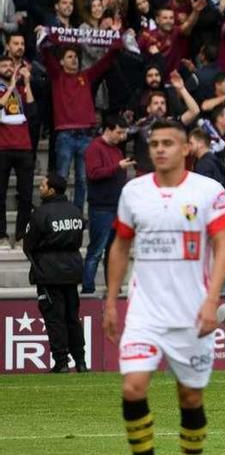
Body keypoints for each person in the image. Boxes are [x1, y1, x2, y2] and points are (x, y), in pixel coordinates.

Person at [103, 119, 225, 455]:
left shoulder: (208, 191)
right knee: (133, 388)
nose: (160, 149)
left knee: (190, 397)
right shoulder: (134, 192)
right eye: (154, 144)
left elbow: (223, 246)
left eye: (168, 143)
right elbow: (120, 246)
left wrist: (212, 301)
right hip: (144, 313)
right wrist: (109, 301)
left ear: (186, 148)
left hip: (191, 314)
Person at [42, 39, 123, 210]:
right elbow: (47, 56)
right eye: (69, 57)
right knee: (61, 177)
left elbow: (104, 63)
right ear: (61, 62)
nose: (74, 59)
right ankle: (59, 211)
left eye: (76, 57)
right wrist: (45, 39)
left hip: (86, 135)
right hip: (65, 135)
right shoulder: (57, 76)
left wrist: (116, 43)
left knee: (82, 178)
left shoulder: (85, 76)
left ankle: (77, 212)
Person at [22, 174, 85, 374]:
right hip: (73, 270)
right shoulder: (76, 211)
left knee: (54, 317)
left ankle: (61, 361)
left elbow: (28, 245)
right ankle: (81, 361)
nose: (40, 188)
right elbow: (78, 239)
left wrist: (39, 265)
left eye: (42, 185)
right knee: (72, 316)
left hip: (49, 272)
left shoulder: (40, 214)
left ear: (51, 190)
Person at [82, 116, 133, 295]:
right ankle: (88, 288)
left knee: (113, 251)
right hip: (101, 208)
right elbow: (94, 173)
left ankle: (113, 287)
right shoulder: (94, 148)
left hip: (116, 207)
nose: (121, 136)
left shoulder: (116, 150)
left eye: (123, 133)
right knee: (96, 250)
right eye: (119, 132)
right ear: (108, 130)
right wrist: (117, 167)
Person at [0, 56, 34, 250]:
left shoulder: (22, 88)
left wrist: (26, 82)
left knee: (27, 195)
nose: (7, 68)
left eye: (10, 66)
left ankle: (21, 235)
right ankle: (1, 236)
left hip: (24, 147)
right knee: (0, 195)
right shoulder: (6, 87)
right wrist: (11, 86)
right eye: (3, 66)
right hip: (2, 148)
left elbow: (32, 110)